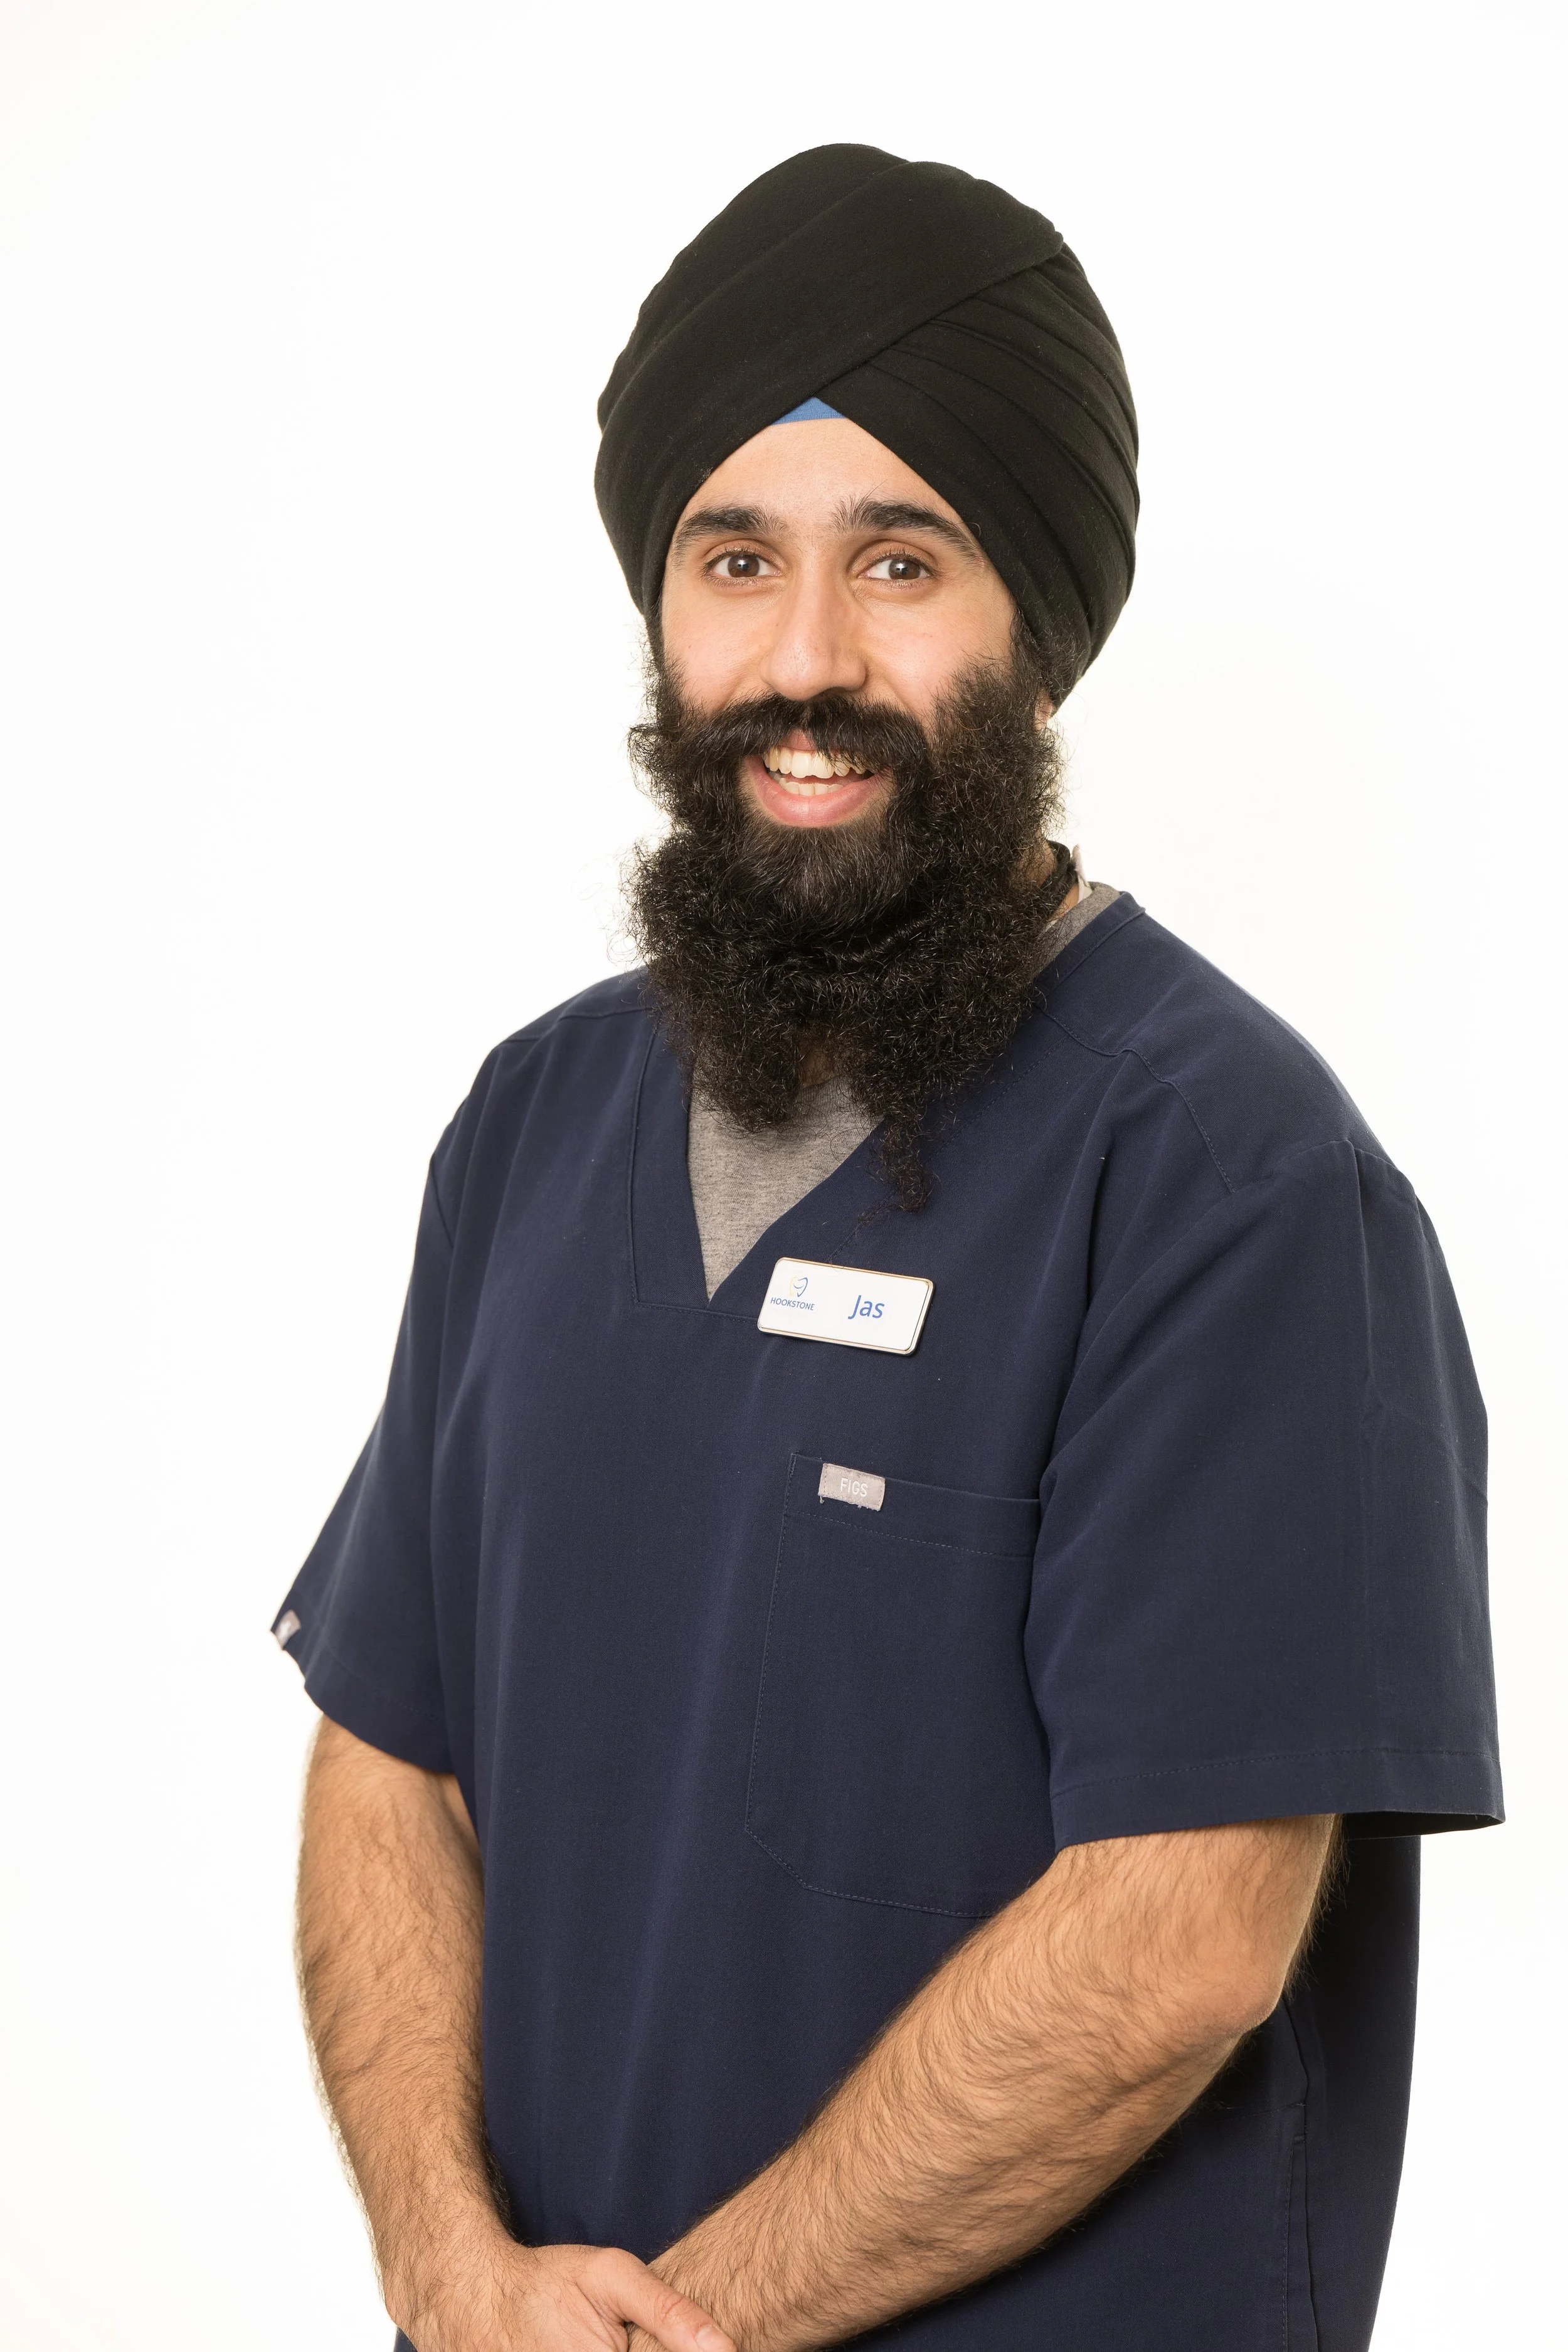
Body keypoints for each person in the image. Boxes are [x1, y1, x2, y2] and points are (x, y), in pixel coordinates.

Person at [273, 146, 1502, 2352]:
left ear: (1035, 617)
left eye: (901, 560)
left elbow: (1180, 1939)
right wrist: (450, 2272)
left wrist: (675, 2328)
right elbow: (388, 1755)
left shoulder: (1227, 1177)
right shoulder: (533, 1125)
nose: (805, 660)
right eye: (735, 558)